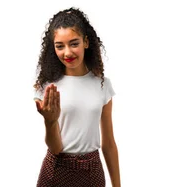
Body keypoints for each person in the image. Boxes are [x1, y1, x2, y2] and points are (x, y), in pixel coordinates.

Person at [33, 7, 120, 187]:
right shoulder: (46, 87)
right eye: (60, 46)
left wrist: (117, 185)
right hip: (56, 171)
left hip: (93, 172)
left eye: (74, 43)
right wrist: (50, 121)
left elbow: (109, 142)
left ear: (85, 42)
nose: (67, 53)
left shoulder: (102, 84)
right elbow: (55, 148)